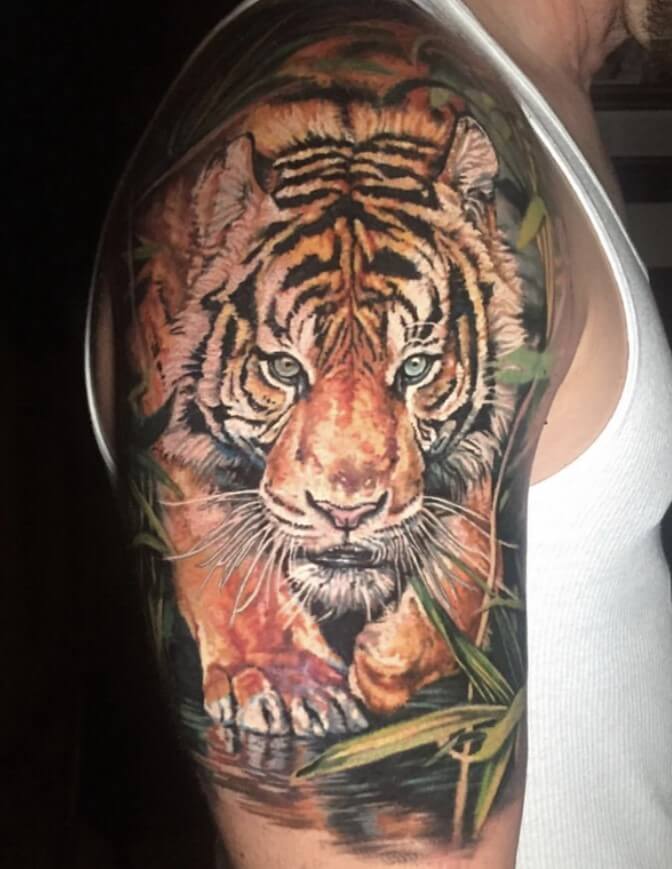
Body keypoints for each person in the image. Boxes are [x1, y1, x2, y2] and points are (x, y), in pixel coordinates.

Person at [86, 0, 672, 866]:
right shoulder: (341, 72)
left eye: (418, 364)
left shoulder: (503, 99)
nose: (353, 478)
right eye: (281, 368)